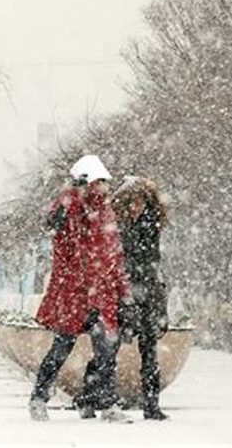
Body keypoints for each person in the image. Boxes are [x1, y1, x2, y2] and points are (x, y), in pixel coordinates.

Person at [29, 155, 134, 423]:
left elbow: (115, 257)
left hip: (101, 294)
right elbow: (58, 229)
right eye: (96, 182)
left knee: (106, 349)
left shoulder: (106, 214)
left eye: (103, 183)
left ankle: (106, 403)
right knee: (62, 347)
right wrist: (73, 196)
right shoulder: (69, 211)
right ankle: (39, 397)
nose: (101, 188)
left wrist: (124, 294)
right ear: (85, 183)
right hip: (74, 295)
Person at [111, 176, 170, 420]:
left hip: (148, 292)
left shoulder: (151, 224)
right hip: (125, 290)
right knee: (110, 346)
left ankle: (151, 404)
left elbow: (151, 261)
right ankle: (98, 398)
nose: (137, 206)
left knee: (149, 348)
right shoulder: (119, 226)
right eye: (132, 201)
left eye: (141, 201)